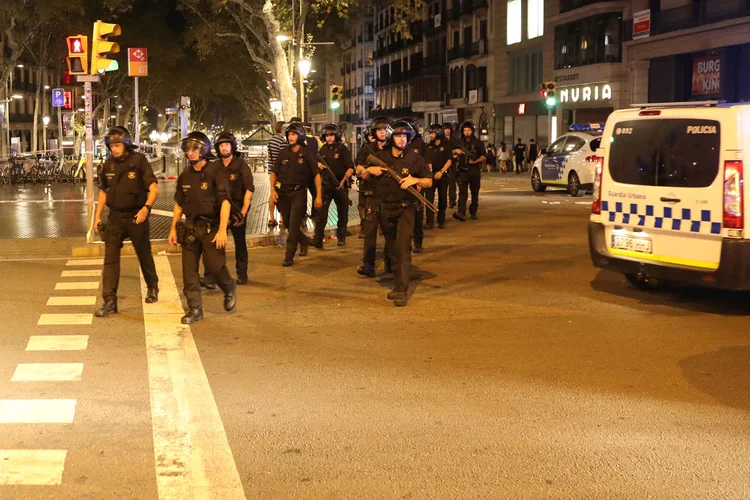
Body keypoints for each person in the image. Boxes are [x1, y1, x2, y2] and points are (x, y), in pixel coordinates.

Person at [168, 131, 236, 325]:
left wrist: (223, 229)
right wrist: (173, 228)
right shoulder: (184, 176)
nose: (191, 152)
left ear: (204, 150)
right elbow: (179, 204)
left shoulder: (217, 172)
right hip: (190, 229)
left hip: (212, 228)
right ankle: (195, 309)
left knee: (215, 267)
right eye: (188, 149)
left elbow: (225, 202)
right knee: (189, 272)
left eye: (195, 148)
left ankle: (229, 287)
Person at [363, 120, 432, 306]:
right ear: (391, 137)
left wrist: (414, 179)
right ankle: (397, 285)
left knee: (403, 249)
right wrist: (370, 170)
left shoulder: (415, 158)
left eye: (405, 136)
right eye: (398, 136)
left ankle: (402, 289)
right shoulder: (381, 155)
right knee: (392, 249)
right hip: (385, 209)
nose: (402, 140)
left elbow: (428, 181)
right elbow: (363, 174)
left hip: (406, 209)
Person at [94, 126, 159, 317]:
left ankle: (153, 286)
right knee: (110, 261)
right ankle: (109, 301)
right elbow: (104, 192)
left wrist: (146, 208)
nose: (114, 149)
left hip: (136, 217)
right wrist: (97, 217)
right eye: (111, 145)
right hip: (115, 218)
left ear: (126, 144)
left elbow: (153, 188)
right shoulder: (108, 165)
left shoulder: (139, 161)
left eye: (117, 144)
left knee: (144, 254)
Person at [269, 123, 323, 267]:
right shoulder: (283, 152)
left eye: (293, 134)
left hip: (299, 193)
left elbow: (316, 175)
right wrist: (272, 190)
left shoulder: (307, 154)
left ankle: (289, 256)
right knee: (286, 223)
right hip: (284, 194)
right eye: (289, 135)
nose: (290, 137)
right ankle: (305, 241)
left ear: (300, 136)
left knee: (293, 227)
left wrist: (318, 196)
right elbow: (274, 172)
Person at [214, 131, 254, 284]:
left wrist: (243, 213)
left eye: (226, 145)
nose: (224, 148)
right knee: (215, 244)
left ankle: (242, 273)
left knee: (240, 243)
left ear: (232, 146)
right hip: (218, 211)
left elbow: (249, 190)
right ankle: (212, 275)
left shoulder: (240, 165)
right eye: (221, 145)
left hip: (237, 210)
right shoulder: (215, 166)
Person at [355, 116, 391, 277]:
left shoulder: (393, 148)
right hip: (373, 195)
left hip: (390, 196)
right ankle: (368, 265)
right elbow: (359, 170)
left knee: (390, 232)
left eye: (385, 129)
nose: (383, 133)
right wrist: (369, 170)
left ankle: (391, 262)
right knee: (370, 232)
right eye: (379, 130)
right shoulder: (367, 149)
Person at [314, 123, 354, 248]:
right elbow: (315, 164)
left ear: (336, 136)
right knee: (321, 214)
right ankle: (318, 239)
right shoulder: (322, 150)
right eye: (327, 135)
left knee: (342, 212)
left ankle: (341, 237)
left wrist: (344, 179)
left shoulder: (342, 149)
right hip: (326, 185)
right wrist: (318, 165)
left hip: (340, 185)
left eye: (332, 135)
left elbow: (350, 167)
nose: (330, 138)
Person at [400, 117, 428, 253]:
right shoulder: (398, 145)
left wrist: (420, 181)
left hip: (416, 184)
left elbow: (427, 165)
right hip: (400, 185)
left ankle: (418, 242)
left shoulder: (420, 144)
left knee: (417, 215)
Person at [452, 120, 486, 222]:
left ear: (472, 131)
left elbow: (484, 156)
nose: (467, 132)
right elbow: (452, 154)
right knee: (462, 193)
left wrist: (475, 161)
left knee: (474, 193)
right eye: (465, 130)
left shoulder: (478, 143)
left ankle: (473, 212)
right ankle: (461, 213)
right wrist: (455, 152)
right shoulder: (459, 142)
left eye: (468, 130)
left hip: (474, 171)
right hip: (463, 171)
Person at [424, 123, 453, 229]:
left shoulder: (446, 146)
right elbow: (426, 160)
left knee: (443, 198)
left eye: (432, 133)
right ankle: (429, 221)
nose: (431, 135)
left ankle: (441, 221)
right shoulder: (428, 146)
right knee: (429, 199)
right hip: (430, 175)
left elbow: (449, 160)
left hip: (443, 175)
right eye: (430, 133)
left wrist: (441, 172)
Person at [356, 127, 376, 238]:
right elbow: (358, 168)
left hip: (379, 183)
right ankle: (363, 228)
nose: (373, 138)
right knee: (363, 206)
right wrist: (367, 168)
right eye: (371, 136)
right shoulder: (364, 150)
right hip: (365, 182)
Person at [266, 121, 286, 227]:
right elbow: (283, 157)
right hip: (279, 172)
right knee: (282, 194)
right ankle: (282, 219)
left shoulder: (271, 140)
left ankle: (272, 218)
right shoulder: (282, 142)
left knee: (272, 194)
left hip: (270, 171)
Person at [443, 122, 458, 208]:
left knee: (452, 182)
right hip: (442, 163)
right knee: (444, 183)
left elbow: (459, 150)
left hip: (452, 163)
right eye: (445, 129)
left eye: (449, 129)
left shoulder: (454, 140)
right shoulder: (441, 140)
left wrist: (456, 155)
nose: (447, 131)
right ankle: (444, 200)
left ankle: (452, 200)